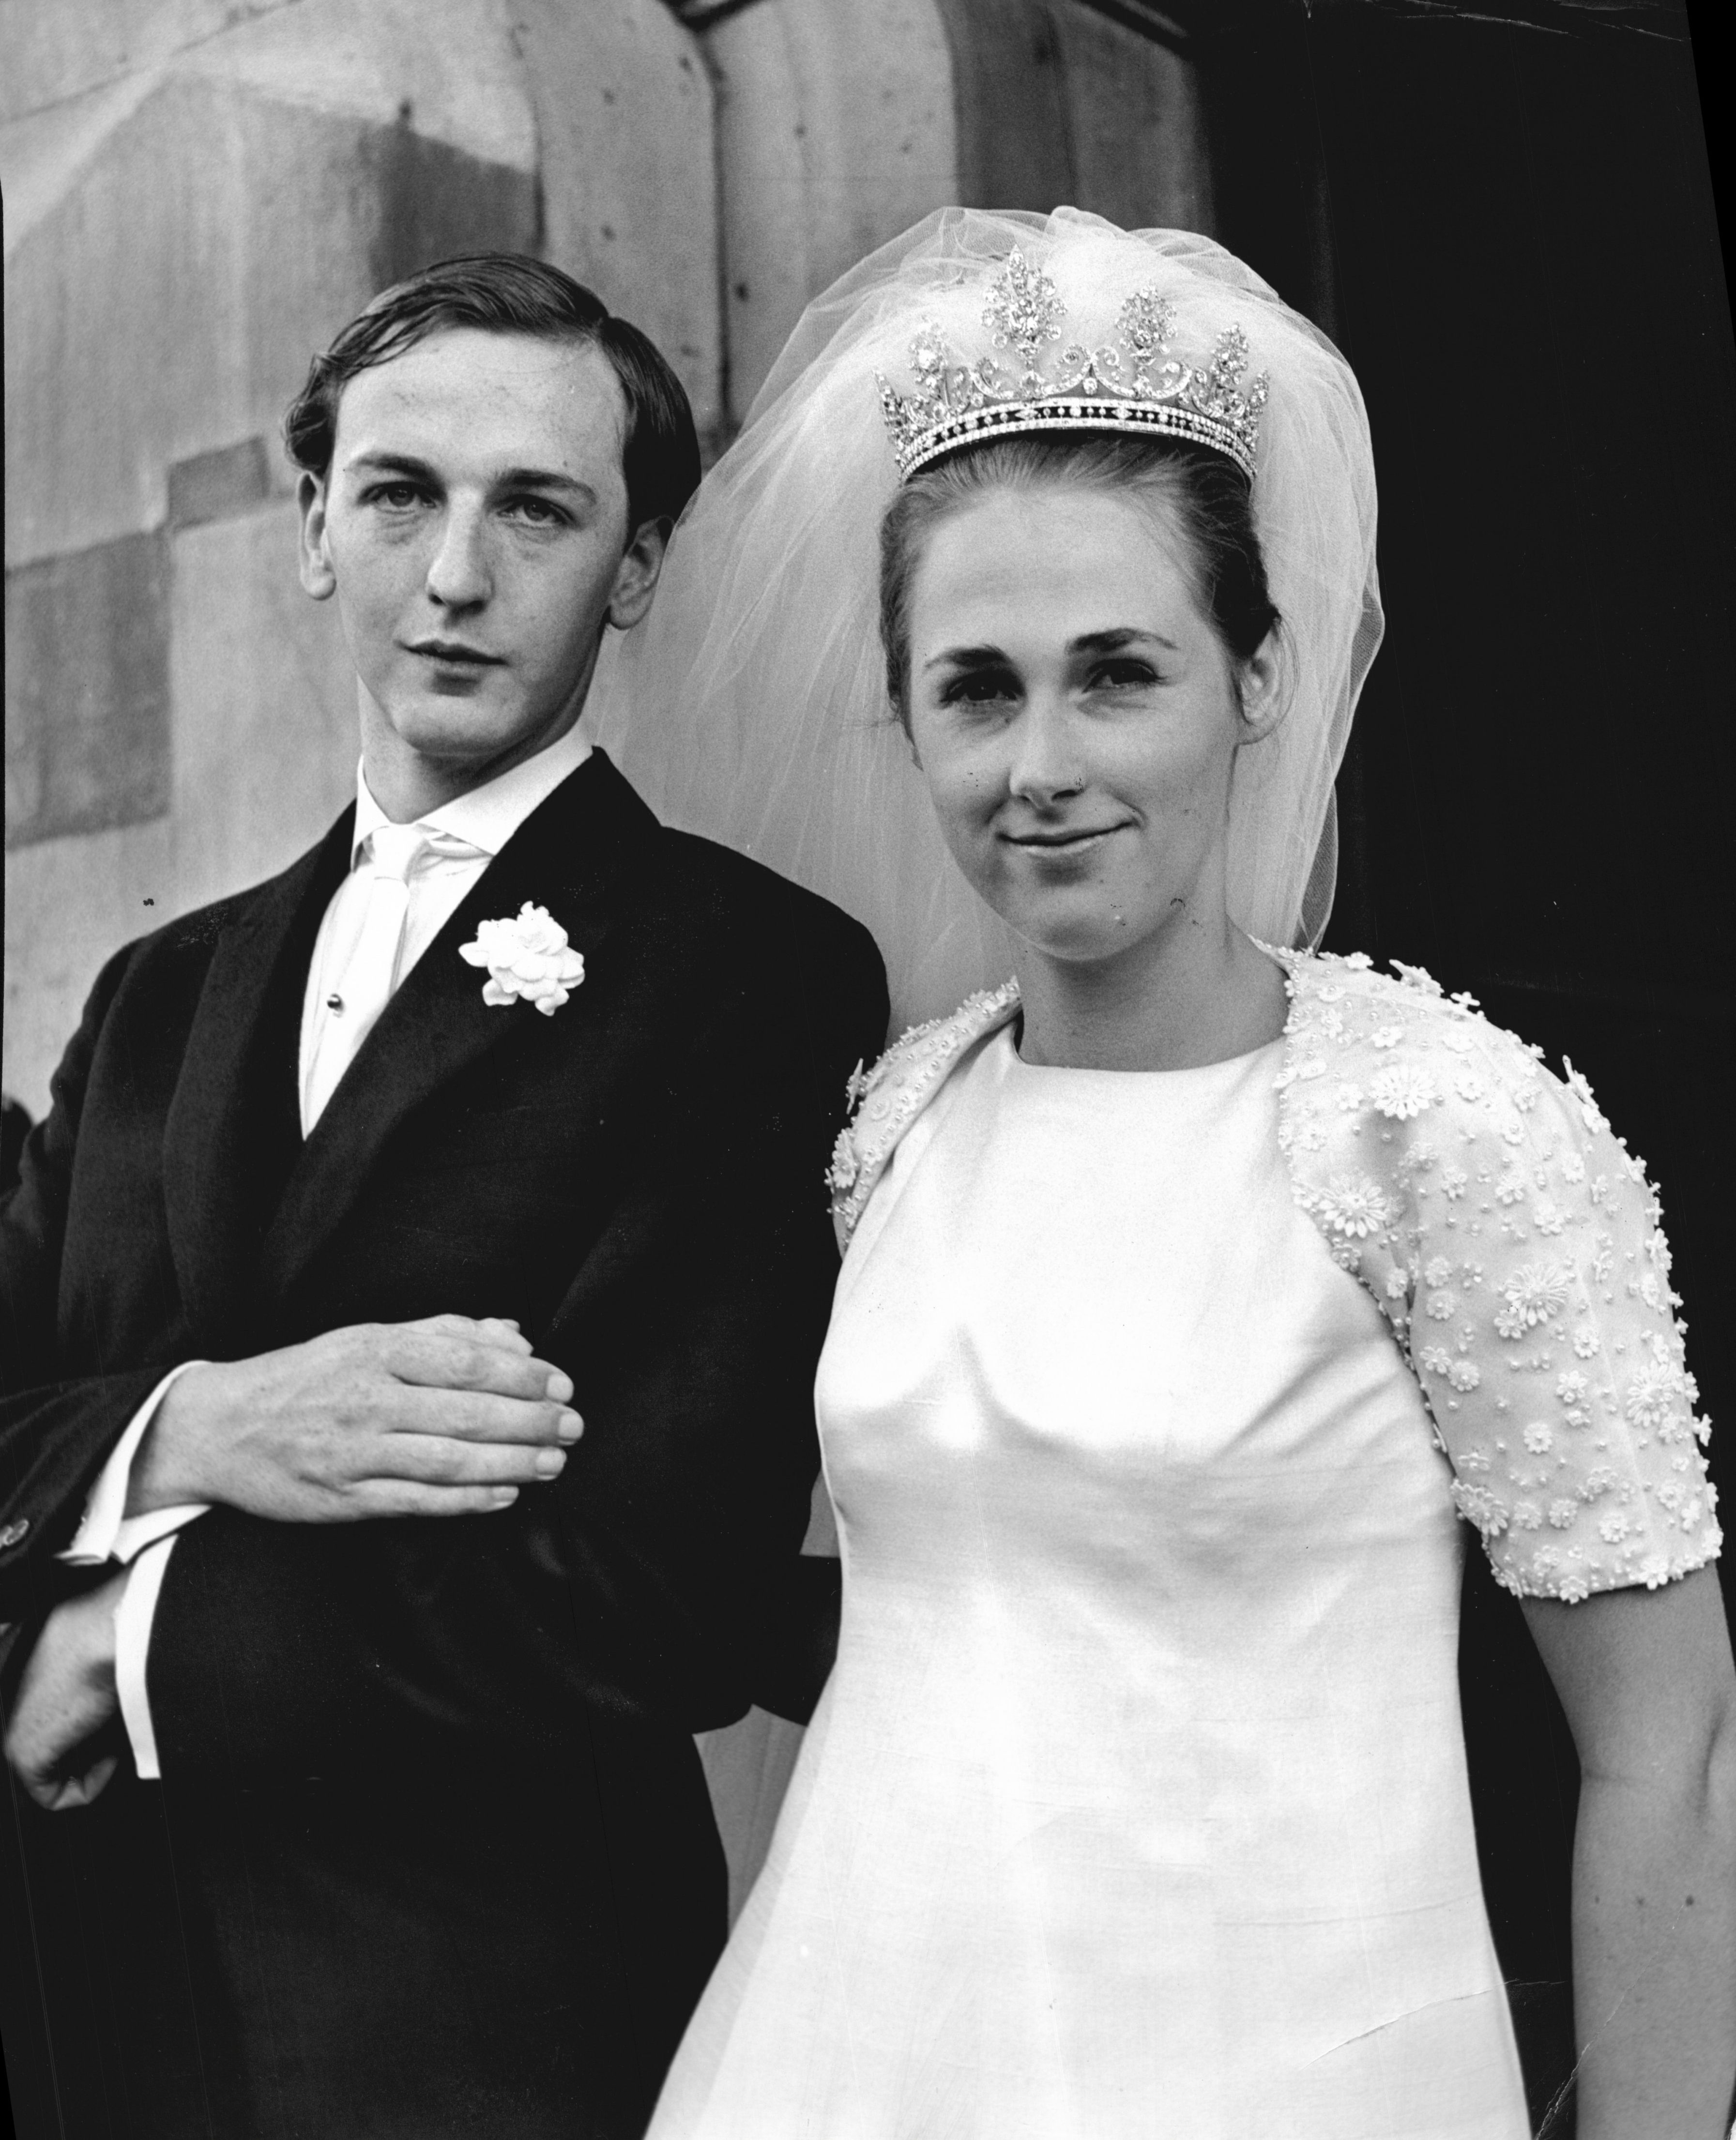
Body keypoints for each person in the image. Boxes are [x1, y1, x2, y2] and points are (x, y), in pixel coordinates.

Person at [585, 209, 1736, 2138]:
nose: (1041, 762)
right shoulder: (896, 1121)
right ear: (909, 719)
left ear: (1257, 681)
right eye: (977, 687)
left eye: (1118, 671)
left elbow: (1668, 1740)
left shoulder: (1434, 1130)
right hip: (844, 2062)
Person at [0, 254, 888, 2140]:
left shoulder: (748, 979)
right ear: (315, 521)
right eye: (399, 492)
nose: (458, 573)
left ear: (637, 563)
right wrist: (198, 1429)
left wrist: (119, 1640)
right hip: (95, 2003)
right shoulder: (159, 993)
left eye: (538, 509)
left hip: (477, 2039)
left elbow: (662, 1584)